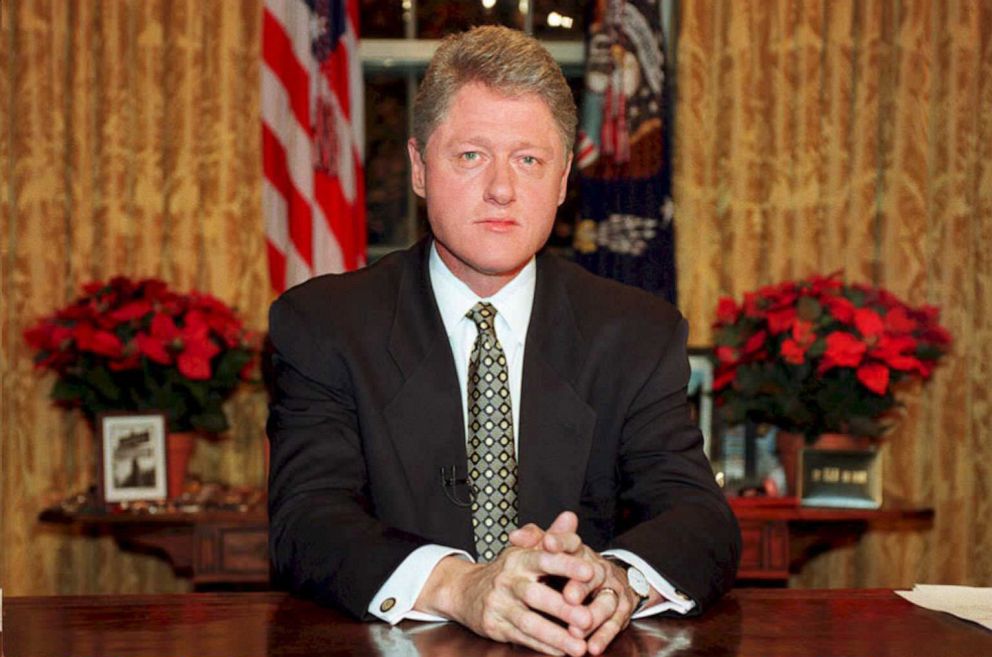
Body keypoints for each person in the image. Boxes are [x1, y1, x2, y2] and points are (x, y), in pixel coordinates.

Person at [267, 25, 740, 657]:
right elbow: (306, 522)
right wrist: (459, 587)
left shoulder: (637, 332)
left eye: (529, 159)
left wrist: (617, 583)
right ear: (418, 168)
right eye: (471, 156)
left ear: (564, 178)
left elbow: (701, 519)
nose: (501, 189)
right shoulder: (325, 324)